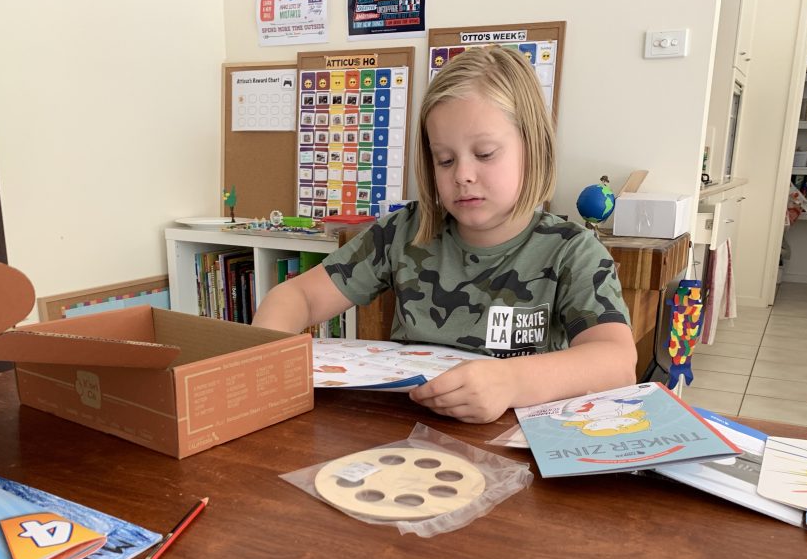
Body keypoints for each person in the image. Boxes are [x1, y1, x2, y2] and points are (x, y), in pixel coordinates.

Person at [253, 46, 636, 423]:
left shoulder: (573, 251)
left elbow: (617, 363)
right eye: (445, 159)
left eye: (485, 153)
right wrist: (264, 360)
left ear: (532, 147)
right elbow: (297, 296)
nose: (462, 175)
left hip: (514, 440)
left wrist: (512, 381)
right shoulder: (403, 232)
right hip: (406, 434)